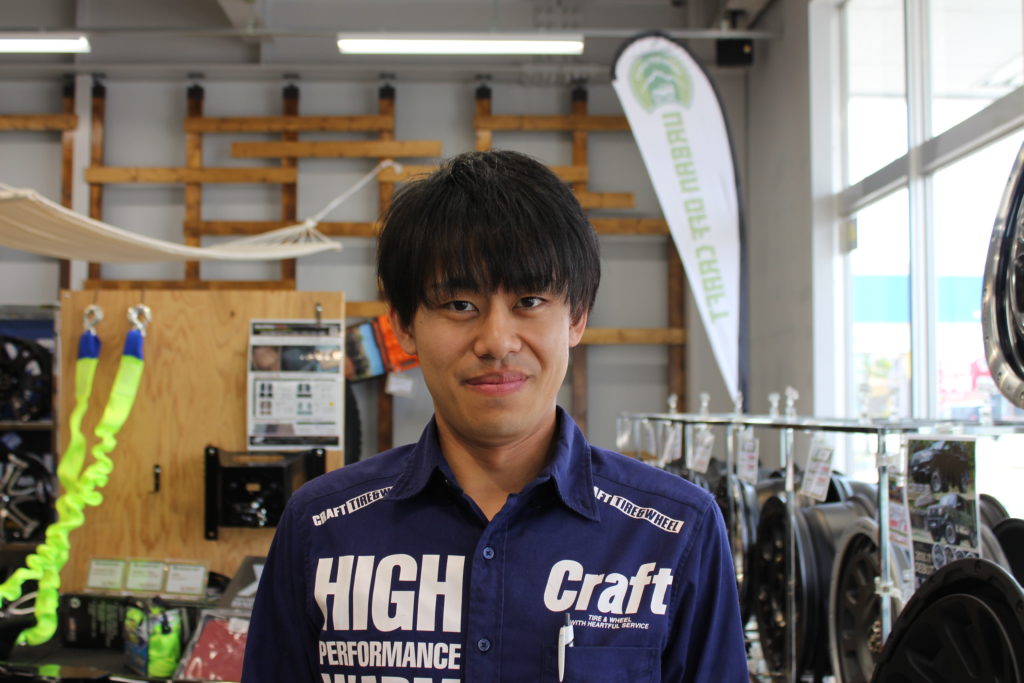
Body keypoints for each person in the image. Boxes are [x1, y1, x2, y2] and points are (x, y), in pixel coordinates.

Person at [241, 150, 748, 682]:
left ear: (576, 317)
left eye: (529, 301)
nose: (497, 342)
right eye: (460, 305)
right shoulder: (321, 527)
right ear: (404, 327)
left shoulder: (675, 532)